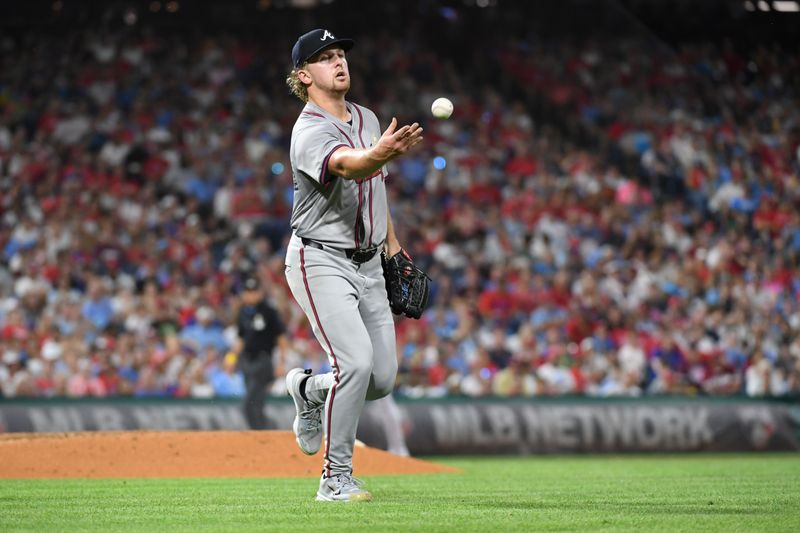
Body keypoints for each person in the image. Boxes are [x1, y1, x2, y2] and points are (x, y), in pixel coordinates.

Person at [282, 28, 423, 502]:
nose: (339, 62)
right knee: (355, 363)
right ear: (304, 76)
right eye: (325, 58)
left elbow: (375, 190)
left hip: (368, 264)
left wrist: (395, 249)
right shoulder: (308, 130)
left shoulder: (366, 117)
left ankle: (309, 390)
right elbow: (350, 167)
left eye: (340, 54)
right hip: (320, 260)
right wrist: (380, 152)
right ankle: (335, 478)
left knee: (381, 379)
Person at [233, 276, 287, 430]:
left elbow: (281, 338)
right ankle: (266, 431)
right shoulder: (243, 311)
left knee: (249, 404)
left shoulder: (269, 311)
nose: (250, 295)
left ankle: (262, 434)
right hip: (246, 361)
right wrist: (231, 359)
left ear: (260, 292)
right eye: (248, 291)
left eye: (253, 291)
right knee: (255, 403)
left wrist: (281, 363)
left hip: (263, 361)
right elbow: (240, 338)